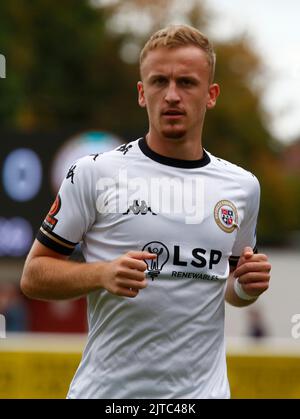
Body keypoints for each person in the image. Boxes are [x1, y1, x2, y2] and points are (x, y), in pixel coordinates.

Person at [21, 24, 271, 399]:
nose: (171, 95)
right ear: (142, 93)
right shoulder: (94, 173)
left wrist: (247, 288)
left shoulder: (242, 187)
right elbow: (33, 276)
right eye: (159, 82)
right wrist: (101, 273)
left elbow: (229, 287)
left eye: (187, 83)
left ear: (211, 94)